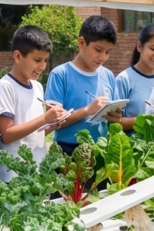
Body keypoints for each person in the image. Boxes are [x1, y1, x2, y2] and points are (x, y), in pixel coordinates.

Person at [0, 25, 66, 182]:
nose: (43, 66)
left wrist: (52, 125)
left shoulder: (37, 86)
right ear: (17, 56)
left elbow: (33, 134)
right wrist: (45, 118)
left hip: (37, 172)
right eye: (37, 60)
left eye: (46, 60)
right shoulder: (6, 86)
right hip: (13, 176)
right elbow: (6, 135)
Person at [44, 15, 122, 155]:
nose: (103, 57)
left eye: (108, 52)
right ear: (81, 43)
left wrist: (115, 118)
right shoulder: (60, 74)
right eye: (98, 50)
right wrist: (88, 110)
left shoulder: (108, 75)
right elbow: (52, 123)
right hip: (67, 151)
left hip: (100, 151)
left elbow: (114, 119)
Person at [116, 23, 154, 131]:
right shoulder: (124, 79)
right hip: (133, 146)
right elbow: (115, 123)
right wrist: (149, 119)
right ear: (139, 46)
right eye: (153, 48)